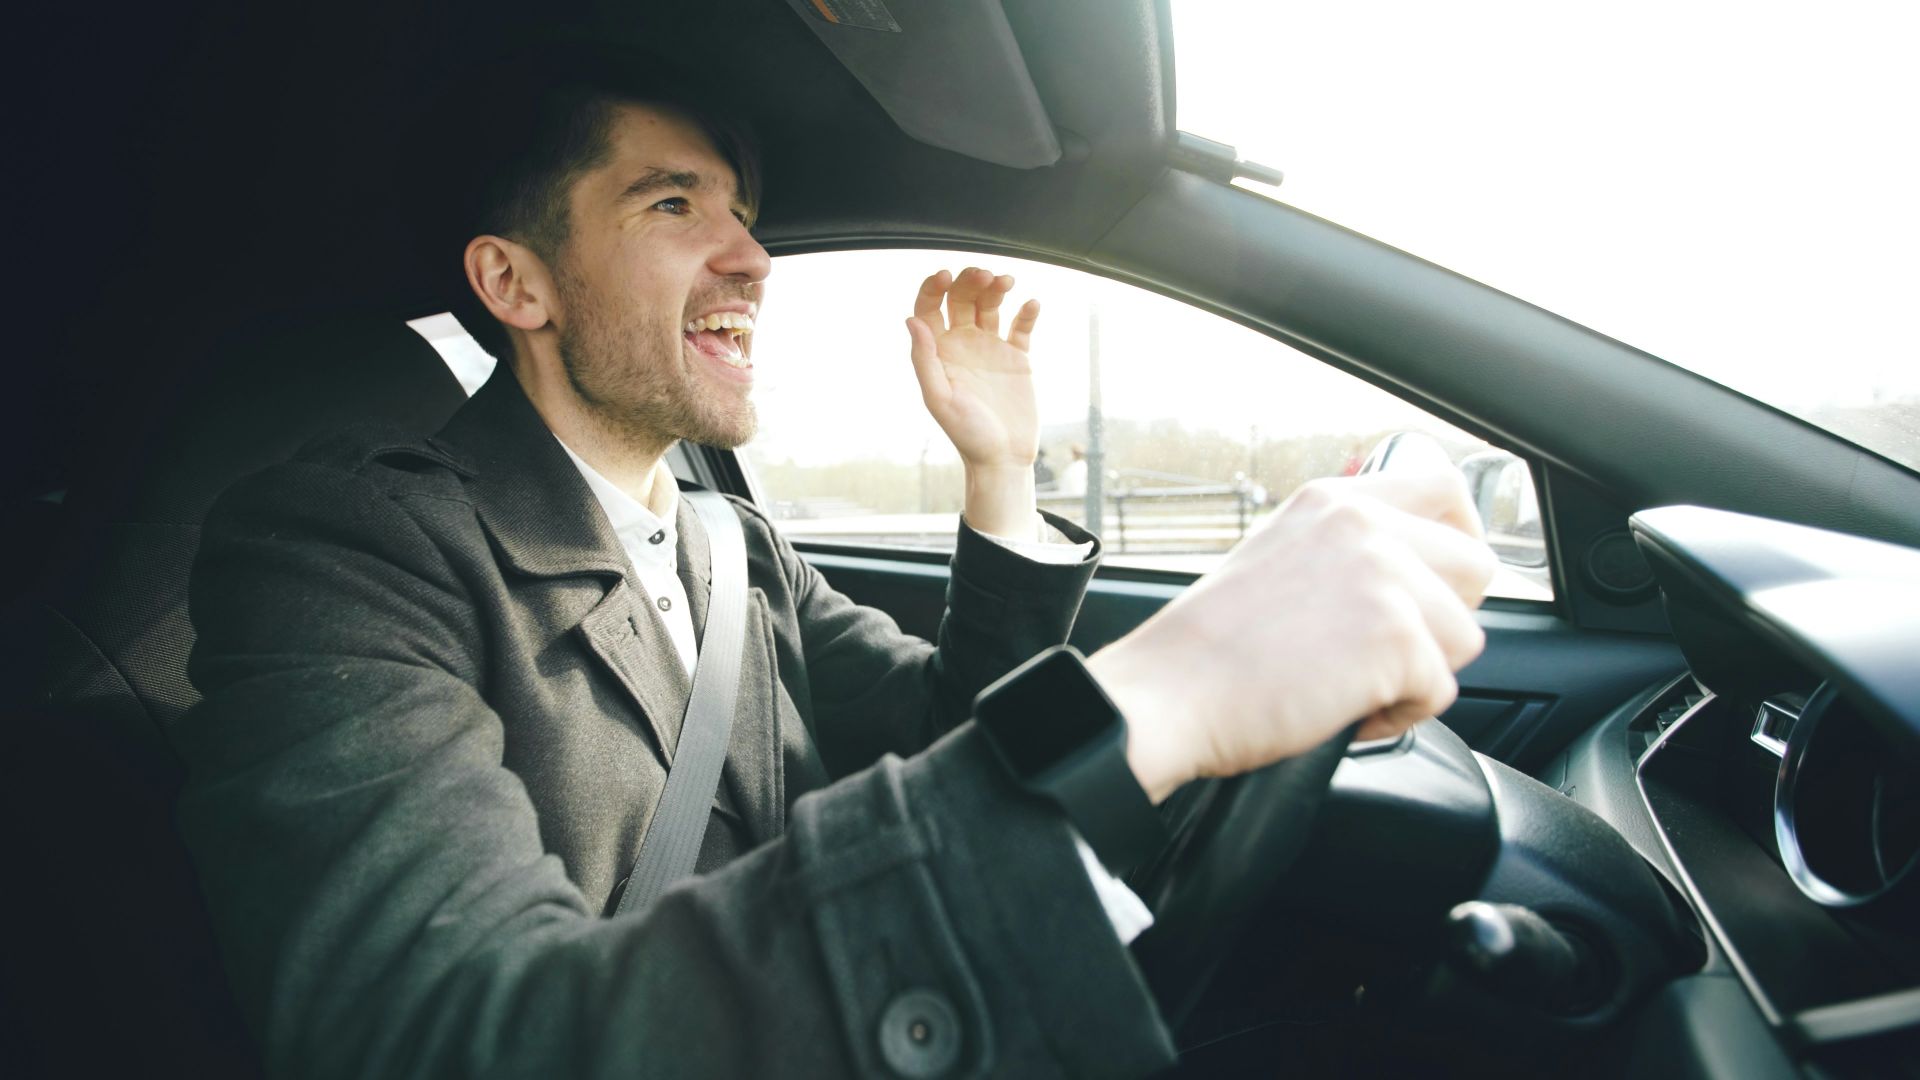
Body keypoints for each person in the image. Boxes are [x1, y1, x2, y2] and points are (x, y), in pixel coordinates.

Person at [174, 69, 1494, 1078]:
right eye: (673, 203)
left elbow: (957, 736)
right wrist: (1181, 687)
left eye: (741, 214)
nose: (750, 254)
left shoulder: (734, 549)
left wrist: (998, 473)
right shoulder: (339, 555)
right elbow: (452, 1035)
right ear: (517, 282)